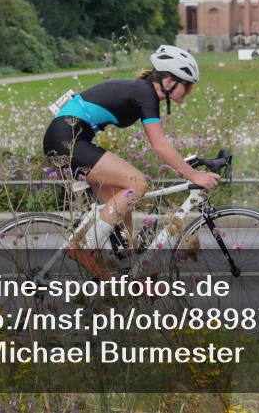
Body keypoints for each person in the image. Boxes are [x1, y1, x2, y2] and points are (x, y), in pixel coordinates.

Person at [42, 45, 220, 270]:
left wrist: (188, 165)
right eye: (188, 86)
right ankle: (84, 248)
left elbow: (160, 145)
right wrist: (194, 175)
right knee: (137, 183)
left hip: (69, 139)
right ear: (168, 82)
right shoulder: (145, 93)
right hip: (67, 140)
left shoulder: (142, 91)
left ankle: (122, 273)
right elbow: (159, 145)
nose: (189, 92)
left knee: (123, 198)